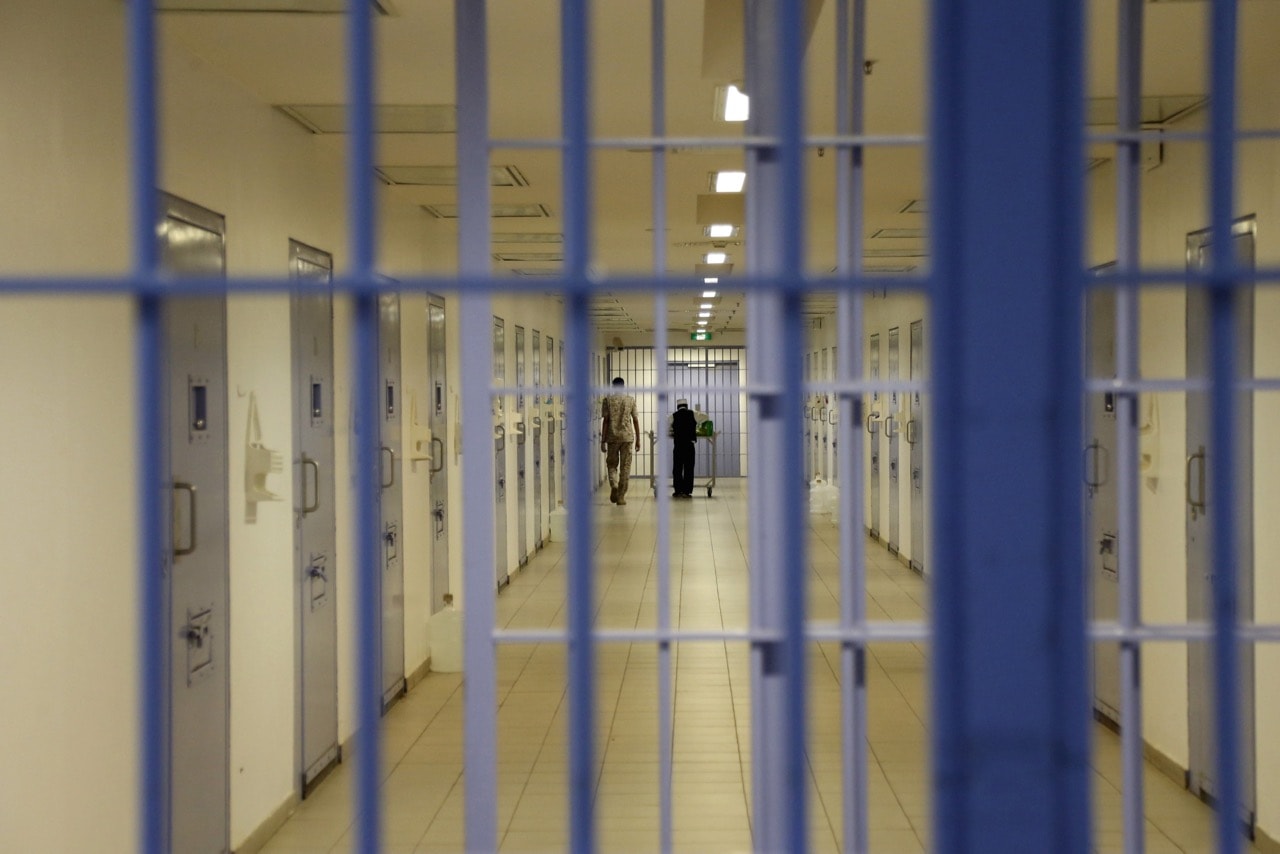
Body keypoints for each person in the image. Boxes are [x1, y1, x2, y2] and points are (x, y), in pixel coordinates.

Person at [600, 377, 641, 505]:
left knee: (612, 464)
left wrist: (603, 440)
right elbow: (635, 420)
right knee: (626, 467)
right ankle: (621, 496)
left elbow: (606, 421)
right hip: (627, 438)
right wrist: (638, 439)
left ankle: (614, 485)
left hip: (612, 438)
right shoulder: (630, 400)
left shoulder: (607, 400)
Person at [668, 398, 698, 498]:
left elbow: (666, 425)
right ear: (686, 406)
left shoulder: (673, 416)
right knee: (689, 468)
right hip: (689, 445)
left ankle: (678, 490)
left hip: (678, 446)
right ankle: (687, 491)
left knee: (677, 468)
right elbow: (705, 418)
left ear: (677, 407)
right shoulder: (693, 414)